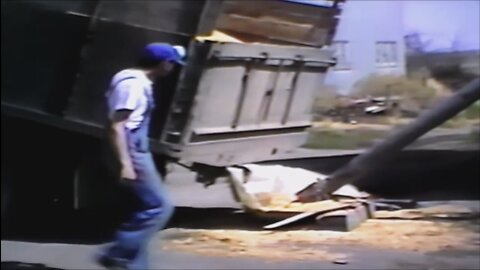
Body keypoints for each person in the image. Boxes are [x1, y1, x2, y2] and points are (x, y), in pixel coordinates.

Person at [97, 43, 185, 270]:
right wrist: (125, 164)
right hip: (131, 149)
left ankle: (133, 265)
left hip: (134, 147)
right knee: (158, 207)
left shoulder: (134, 79)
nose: (172, 69)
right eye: (172, 64)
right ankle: (117, 253)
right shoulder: (133, 86)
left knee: (142, 209)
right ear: (164, 64)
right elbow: (117, 126)